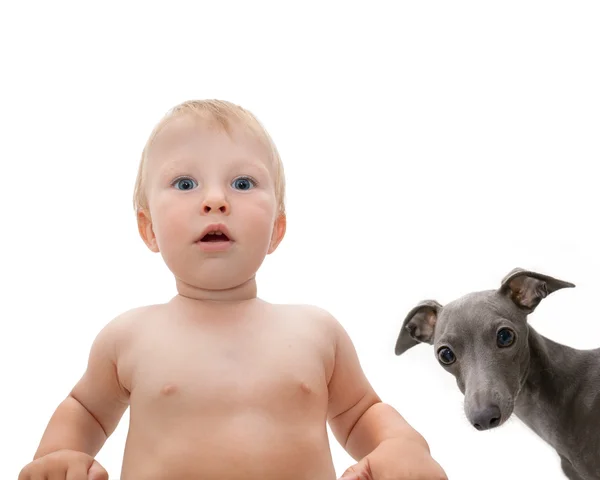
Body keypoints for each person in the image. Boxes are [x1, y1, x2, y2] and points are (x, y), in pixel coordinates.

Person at [19, 99, 447, 480]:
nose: (215, 200)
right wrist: (58, 455)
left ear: (277, 229)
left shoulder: (316, 332)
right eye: (185, 184)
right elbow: (85, 411)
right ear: (148, 228)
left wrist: (403, 444)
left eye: (242, 184)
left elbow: (361, 414)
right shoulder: (128, 337)